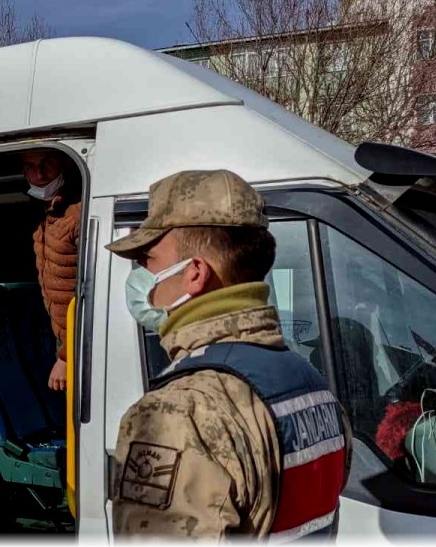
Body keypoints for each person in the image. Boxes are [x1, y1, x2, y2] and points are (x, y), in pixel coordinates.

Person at [105, 169, 350, 540]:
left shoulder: (181, 411)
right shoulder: (311, 384)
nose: (140, 273)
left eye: (148, 259)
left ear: (195, 273)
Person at [21, 149, 80, 391]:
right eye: (30, 167)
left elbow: (95, 292)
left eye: (48, 163)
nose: (40, 174)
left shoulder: (77, 213)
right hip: (64, 339)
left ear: (65, 162)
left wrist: (67, 356)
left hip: (80, 343)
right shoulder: (43, 215)